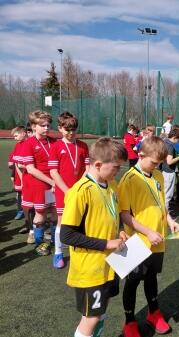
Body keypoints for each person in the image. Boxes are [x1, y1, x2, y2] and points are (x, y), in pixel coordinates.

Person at [60, 137, 129, 337]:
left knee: (100, 313)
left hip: (109, 264)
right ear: (98, 165)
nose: (118, 171)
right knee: (90, 318)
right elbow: (67, 234)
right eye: (116, 167)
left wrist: (120, 230)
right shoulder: (80, 192)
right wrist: (108, 243)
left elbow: (112, 215)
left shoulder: (111, 185)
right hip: (91, 269)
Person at [118, 136, 179, 337]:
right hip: (137, 241)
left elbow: (162, 205)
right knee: (133, 281)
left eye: (159, 163)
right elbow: (124, 214)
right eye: (154, 162)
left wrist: (169, 220)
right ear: (140, 154)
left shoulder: (159, 176)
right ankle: (129, 321)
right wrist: (147, 232)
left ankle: (153, 313)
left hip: (157, 240)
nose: (157, 165)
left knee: (152, 277)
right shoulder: (129, 179)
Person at [49, 112, 89, 269]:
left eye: (74, 130)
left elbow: (87, 168)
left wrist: (79, 187)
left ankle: (77, 249)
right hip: (63, 191)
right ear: (60, 128)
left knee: (80, 221)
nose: (71, 133)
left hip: (80, 190)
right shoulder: (56, 147)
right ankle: (58, 252)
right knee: (62, 221)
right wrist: (67, 191)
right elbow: (53, 172)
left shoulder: (83, 146)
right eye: (67, 130)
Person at [21, 110, 57, 256]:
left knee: (55, 211)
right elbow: (30, 169)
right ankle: (39, 243)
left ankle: (56, 240)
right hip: (39, 184)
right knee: (41, 212)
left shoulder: (54, 141)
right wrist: (52, 181)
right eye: (42, 125)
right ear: (33, 126)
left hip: (53, 183)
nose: (46, 128)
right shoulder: (28, 143)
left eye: (48, 125)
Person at [161, 128, 179, 218]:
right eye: (177, 139)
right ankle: (166, 216)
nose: (177, 142)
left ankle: (164, 213)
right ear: (174, 137)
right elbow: (169, 161)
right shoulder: (170, 146)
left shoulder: (164, 141)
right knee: (167, 195)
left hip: (163, 170)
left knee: (164, 193)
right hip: (169, 172)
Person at [9, 126, 27, 222]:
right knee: (19, 193)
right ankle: (20, 210)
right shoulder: (17, 145)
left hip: (27, 175)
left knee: (28, 196)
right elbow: (16, 163)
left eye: (16, 135)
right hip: (19, 175)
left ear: (23, 133)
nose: (14, 138)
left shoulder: (28, 144)